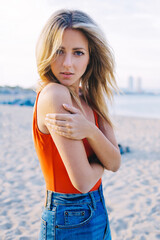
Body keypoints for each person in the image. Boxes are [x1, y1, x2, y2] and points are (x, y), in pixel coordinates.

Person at [32, 9, 121, 240]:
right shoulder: (54, 94)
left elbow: (116, 162)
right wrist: (102, 157)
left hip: (98, 208)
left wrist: (90, 130)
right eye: (59, 51)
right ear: (48, 52)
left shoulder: (90, 97)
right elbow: (82, 181)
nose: (67, 64)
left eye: (78, 53)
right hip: (68, 216)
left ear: (91, 56)